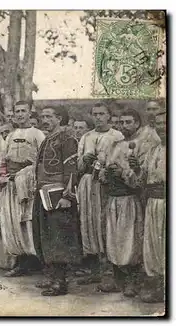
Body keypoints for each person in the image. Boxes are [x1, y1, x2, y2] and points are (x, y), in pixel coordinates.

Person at [97, 108, 158, 297]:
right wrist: (105, 174)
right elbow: (102, 169)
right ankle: (117, 278)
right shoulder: (114, 145)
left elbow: (140, 177)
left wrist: (124, 174)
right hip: (113, 198)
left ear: (137, 123)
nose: (124, 126)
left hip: (130, 199)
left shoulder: (143, 145)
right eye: (121, 122)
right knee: (113, 238)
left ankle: (133, 280)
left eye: (128, 122)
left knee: (129, 239)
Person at [33, 106, 81, 296]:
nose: (45, 120)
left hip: (58, 196)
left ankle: (60, 282)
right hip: (43, 194)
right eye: (43, 116)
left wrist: (67, 196)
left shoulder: (67, 139)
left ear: (59, 118)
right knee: (45, 236)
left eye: (49, 116)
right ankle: (51, 276)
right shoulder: (47, 139)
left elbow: (71, 169)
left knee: (59, 239)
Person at [76, 103, 124, 285]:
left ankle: (110, 270)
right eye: (95, 114)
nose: (98, 117)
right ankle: (94, 268)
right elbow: (78, 164)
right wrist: (84, 160)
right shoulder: (87, 136)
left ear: (109, 116)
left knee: (104, 222)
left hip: (106, 184)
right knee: (88, 222)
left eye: (102, 114)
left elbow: (119, 161)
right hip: (87, 182)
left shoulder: (116, 136)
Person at [1, 100, 45, 277]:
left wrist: (25, 173)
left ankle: (34, 260)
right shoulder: (11, 135)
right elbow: (5, 159)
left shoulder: (37, 134)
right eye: (17, 111)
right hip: (12, 183)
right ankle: (20, 260)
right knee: (13, 220)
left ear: (30, 112)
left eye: (23, 111)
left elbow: (41, 160)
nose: (20, 114)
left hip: (28, 183)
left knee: (27, 221)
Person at [136, 110, 166, 303]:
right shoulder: (154, 149)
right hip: (153, 202)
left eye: (167, 123)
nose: (163, 128)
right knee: (154, 245)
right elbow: (144, 177)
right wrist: (135, 169)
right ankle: (158, 284)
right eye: (159, 124)